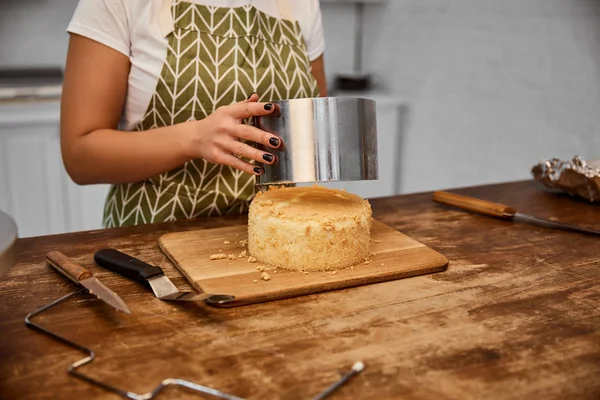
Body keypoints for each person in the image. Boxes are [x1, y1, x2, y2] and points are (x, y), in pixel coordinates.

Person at [60, 0, 327, 228]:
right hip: (150, 240)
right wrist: (194, 138)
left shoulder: (301, 5)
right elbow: (80, 158)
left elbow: (315, 129)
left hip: (278, 238)